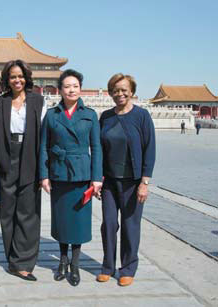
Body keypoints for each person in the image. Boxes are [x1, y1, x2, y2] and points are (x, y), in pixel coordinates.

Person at [40, 69, 103, 286]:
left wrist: (97, 178)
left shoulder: (90, 114)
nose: (71, 89)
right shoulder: (51, 115)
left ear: (80, 88)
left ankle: (75, 265)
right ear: (60, 90)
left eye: (75, 85)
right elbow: (43, 148)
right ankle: (62, 262)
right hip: (59, 173)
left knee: (78, 222)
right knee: (62, 221)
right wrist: (44, 176)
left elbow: (96, 147)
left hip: (82, 176)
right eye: (67, 86)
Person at [97, 73, 155, 287]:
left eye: (124, 89)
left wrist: (144, 182)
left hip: (133, 182)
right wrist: (97, 179)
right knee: (109, 225)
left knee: (131, 226)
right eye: (115, 90)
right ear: (111, 92)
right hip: (110, 182)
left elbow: (150, 149)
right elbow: (99, 149)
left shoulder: (141, 116)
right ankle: (107, 266)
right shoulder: (105, 117)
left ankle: (128, 267)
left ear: (131, 92)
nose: (119, 93)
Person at [0, 59, 46, 281]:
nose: (17, 80)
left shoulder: (38, 100)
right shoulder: (1, 101)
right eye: (13, 76)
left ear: (27, 78)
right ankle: (11, 259)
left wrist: (45, 168)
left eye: (20, 76)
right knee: (7, 211)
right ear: (7, 79)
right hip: (6, 154)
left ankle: (24, 262)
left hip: (30, 154)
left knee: (28, 211)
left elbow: (45, 134)